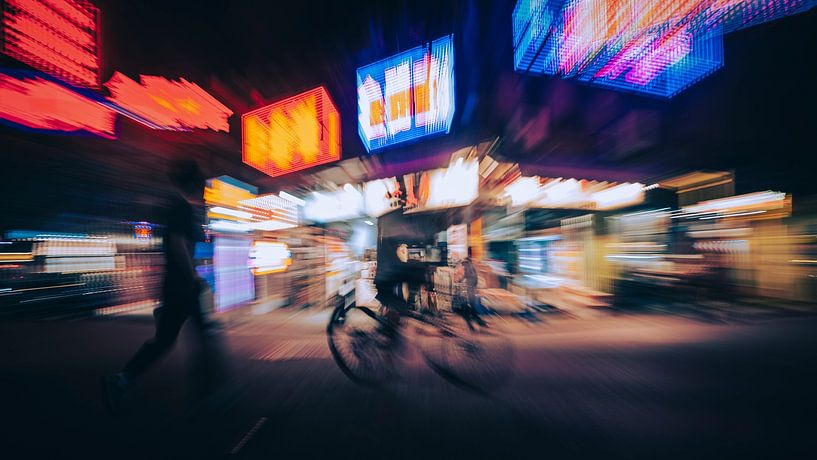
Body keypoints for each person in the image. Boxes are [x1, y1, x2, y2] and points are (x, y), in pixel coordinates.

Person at [102, 158, 222, 414]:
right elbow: (179, 245)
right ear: (194, 183)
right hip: (183, 286)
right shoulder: (182, 209)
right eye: (202, 183)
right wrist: (192, 277)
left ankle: (122, 379)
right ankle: (208, 393)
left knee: (166, 340)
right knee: (201, 335)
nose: (205, 188)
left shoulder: (175, 206)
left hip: (175, 284)